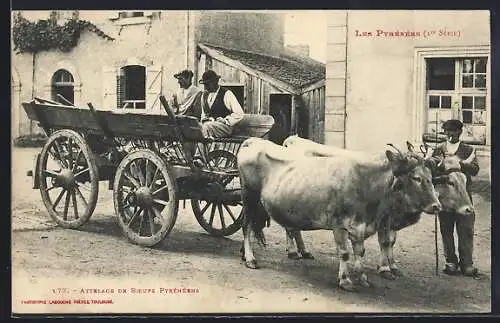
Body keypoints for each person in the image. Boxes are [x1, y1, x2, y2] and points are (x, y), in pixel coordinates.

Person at [431, 119, 481, 279]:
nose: (449, 134)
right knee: (446, 230)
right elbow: (431, 173)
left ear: (460, 131)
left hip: (463, 196)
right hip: (445, 197)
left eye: (453, 131)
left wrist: (460, 166)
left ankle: (467, 264)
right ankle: (450, 261)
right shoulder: (438, 150)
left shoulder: (468, 150)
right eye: (447, 131)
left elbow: (475, 169)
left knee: (465, 230)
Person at [198, 70, 244, 138]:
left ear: (215, 82)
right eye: (204, 84)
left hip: (224, 127)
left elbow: (239, 113)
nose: (206, 87)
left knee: (207, 126)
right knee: (196, 127)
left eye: (208, 84)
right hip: (210, 125)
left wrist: (225, 120)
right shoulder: (204, 95)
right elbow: (204, 114)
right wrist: (205, 119)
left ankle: (204, 147)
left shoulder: (227, 93)